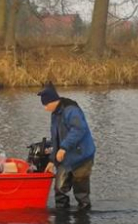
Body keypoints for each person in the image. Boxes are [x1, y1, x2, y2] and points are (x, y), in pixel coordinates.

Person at [38, 82, 95, 210]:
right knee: (59, 190)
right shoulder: (55, 114)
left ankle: (83, 217)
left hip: (82, 157)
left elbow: (79, 129)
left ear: (53, 101)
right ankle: (61, 218)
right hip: (65, 159)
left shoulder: (71, 110)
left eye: (46, 105)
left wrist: (63, 147)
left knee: (81, 193)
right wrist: (52, 160)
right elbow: (55, 138)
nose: (45, 108)